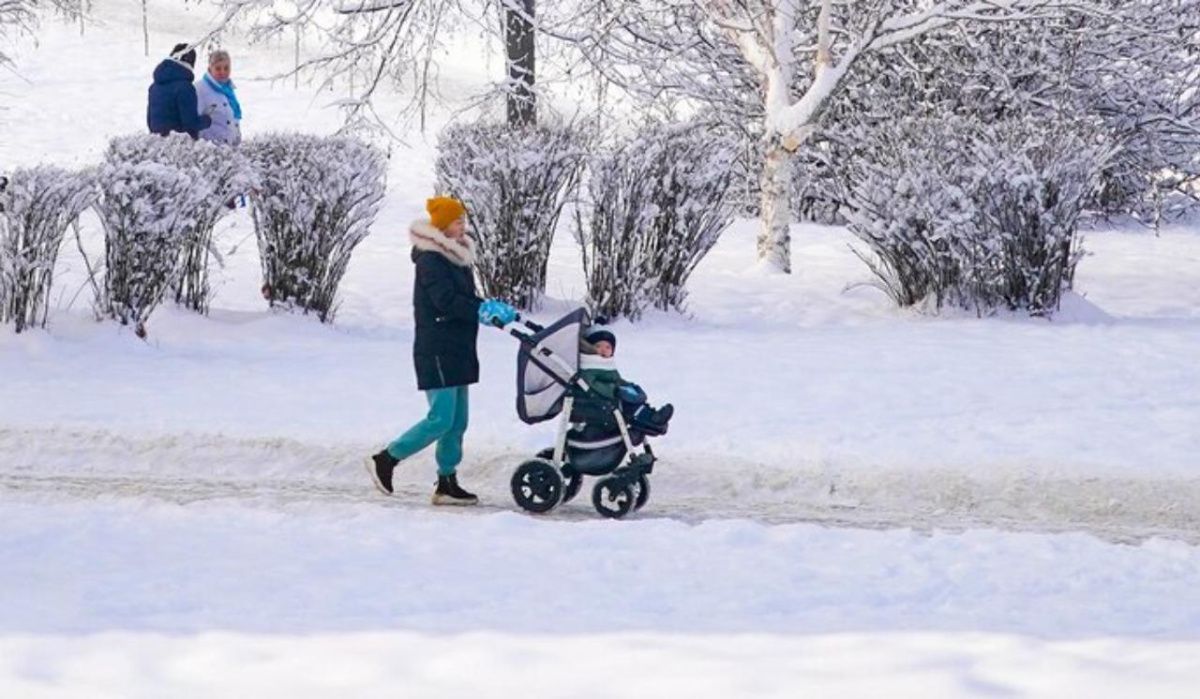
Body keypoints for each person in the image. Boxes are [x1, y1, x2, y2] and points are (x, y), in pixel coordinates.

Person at [364, 197, 517, 506]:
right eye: (457, 220)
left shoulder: (457, 258)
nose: (463, 225)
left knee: (458, 421)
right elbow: (445, 301)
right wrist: (479, 311)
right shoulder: (430, 261)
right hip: (436, 348)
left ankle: (447, 482)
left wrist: (487, 307)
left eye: (463, 220)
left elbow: (463, 297)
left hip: (458, 346)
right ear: (443, 225)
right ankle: (386, 458)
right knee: (440, 418)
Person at [580, 328, 674, 430]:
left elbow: (615, 379)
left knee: (633, 398)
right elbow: (592, 384)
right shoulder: (589, 365)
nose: (603, 350)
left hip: (611, 396)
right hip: (601, 400)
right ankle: (652, 418)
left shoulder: (605, 364)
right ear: (590, 348)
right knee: (629, 405)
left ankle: (649, 415)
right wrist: (614, 390)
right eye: (598, 346)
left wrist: (627, 385)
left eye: (608, 347)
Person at [147, 43, 212, 139]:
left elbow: (150, 121)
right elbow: (190, 124)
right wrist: (207, 119)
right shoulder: (185, 88)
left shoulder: (155, 86)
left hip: (156, 144)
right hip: (179, 145)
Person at [195, 50, 242, 146]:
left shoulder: (229, 90)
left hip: (230, 149)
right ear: (210, 68)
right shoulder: (200, 89)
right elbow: (192, 120)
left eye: (226, 68)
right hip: (211, 149)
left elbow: (233, 118)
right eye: (218, 68)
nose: (222, 72)